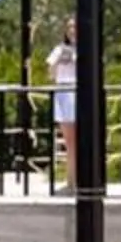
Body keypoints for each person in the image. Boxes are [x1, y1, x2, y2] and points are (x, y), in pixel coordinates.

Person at [48, 15, 79, 186]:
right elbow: (51, 74)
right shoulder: (59, 49)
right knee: (70, 141)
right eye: (69, 27)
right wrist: (58, 62)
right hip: (64, 92)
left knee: (84, 139)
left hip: (81, 90)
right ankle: (71, 180)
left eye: (75, 27)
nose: (72, 30)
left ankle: (82, 179)